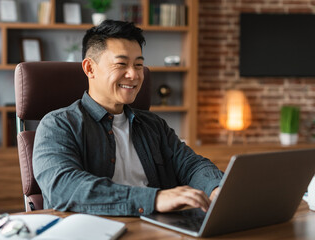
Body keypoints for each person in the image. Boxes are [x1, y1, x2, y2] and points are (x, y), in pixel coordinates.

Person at [33, 20, 223, 216]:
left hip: (155, 228)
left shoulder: (153, 125)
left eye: (139, 65)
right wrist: (154, 199)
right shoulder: (58, 125)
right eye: (121, 64)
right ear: (90, 68)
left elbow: (191, 165)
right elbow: (63, 189)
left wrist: (216, 188)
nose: (134, 74)